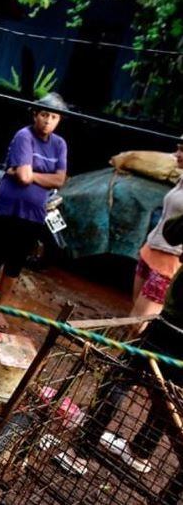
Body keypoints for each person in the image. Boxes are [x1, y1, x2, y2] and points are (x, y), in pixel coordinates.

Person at [56, 214, 183, 505]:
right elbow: (172, 232)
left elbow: (173, 231)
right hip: (170, 325)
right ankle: (139, 453)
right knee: (167, 399)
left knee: (118, 379)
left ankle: (82, 453)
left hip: (170, 326)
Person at [0, 93, 69, 329]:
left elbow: (59, 180)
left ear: (59, 120)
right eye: (44, 114)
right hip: (7, 209)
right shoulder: (24, 136)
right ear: (35, 115)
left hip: (35, 213)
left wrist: (28, 174)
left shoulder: (59, 144)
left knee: (15, 265)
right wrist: (32, 176)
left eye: (54, 116)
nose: (48, 121)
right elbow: (24, 178)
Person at [128, 143, 183, 325]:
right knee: (133, 317)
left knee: (139, 324)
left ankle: (129, 354)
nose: (177, 154)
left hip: (169, 262)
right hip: (150, 249)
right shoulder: (181, 178)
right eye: (178, 148)